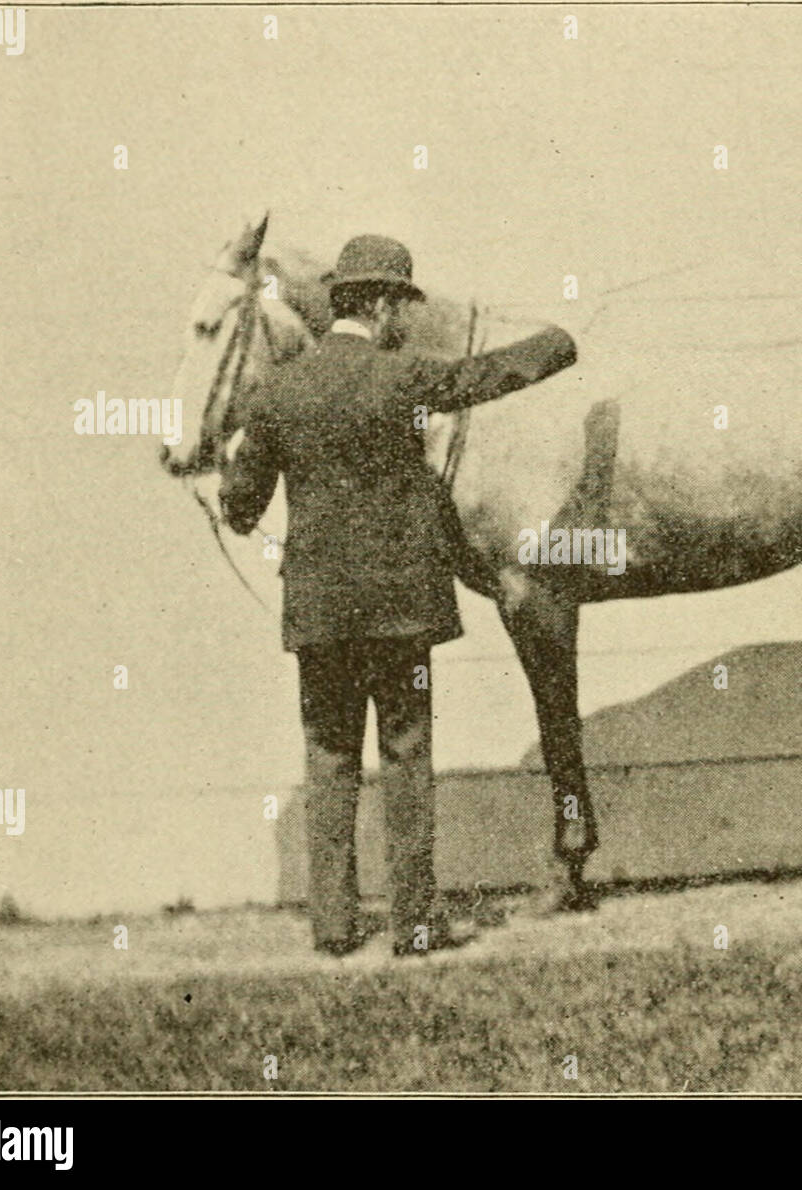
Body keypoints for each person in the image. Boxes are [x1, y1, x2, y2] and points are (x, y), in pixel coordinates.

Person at [219, 234, 577, 956]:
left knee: (329, 760)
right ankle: (415, 923)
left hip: (320, 613)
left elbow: (241, 504)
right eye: (400, 307)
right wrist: (561, 343)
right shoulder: (404, 376)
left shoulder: (279, 391)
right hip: (402, 609)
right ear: (379, 305)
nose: (405, 322)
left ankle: (334, 927)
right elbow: (485, 377)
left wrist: (229, 493)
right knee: (407, 757)